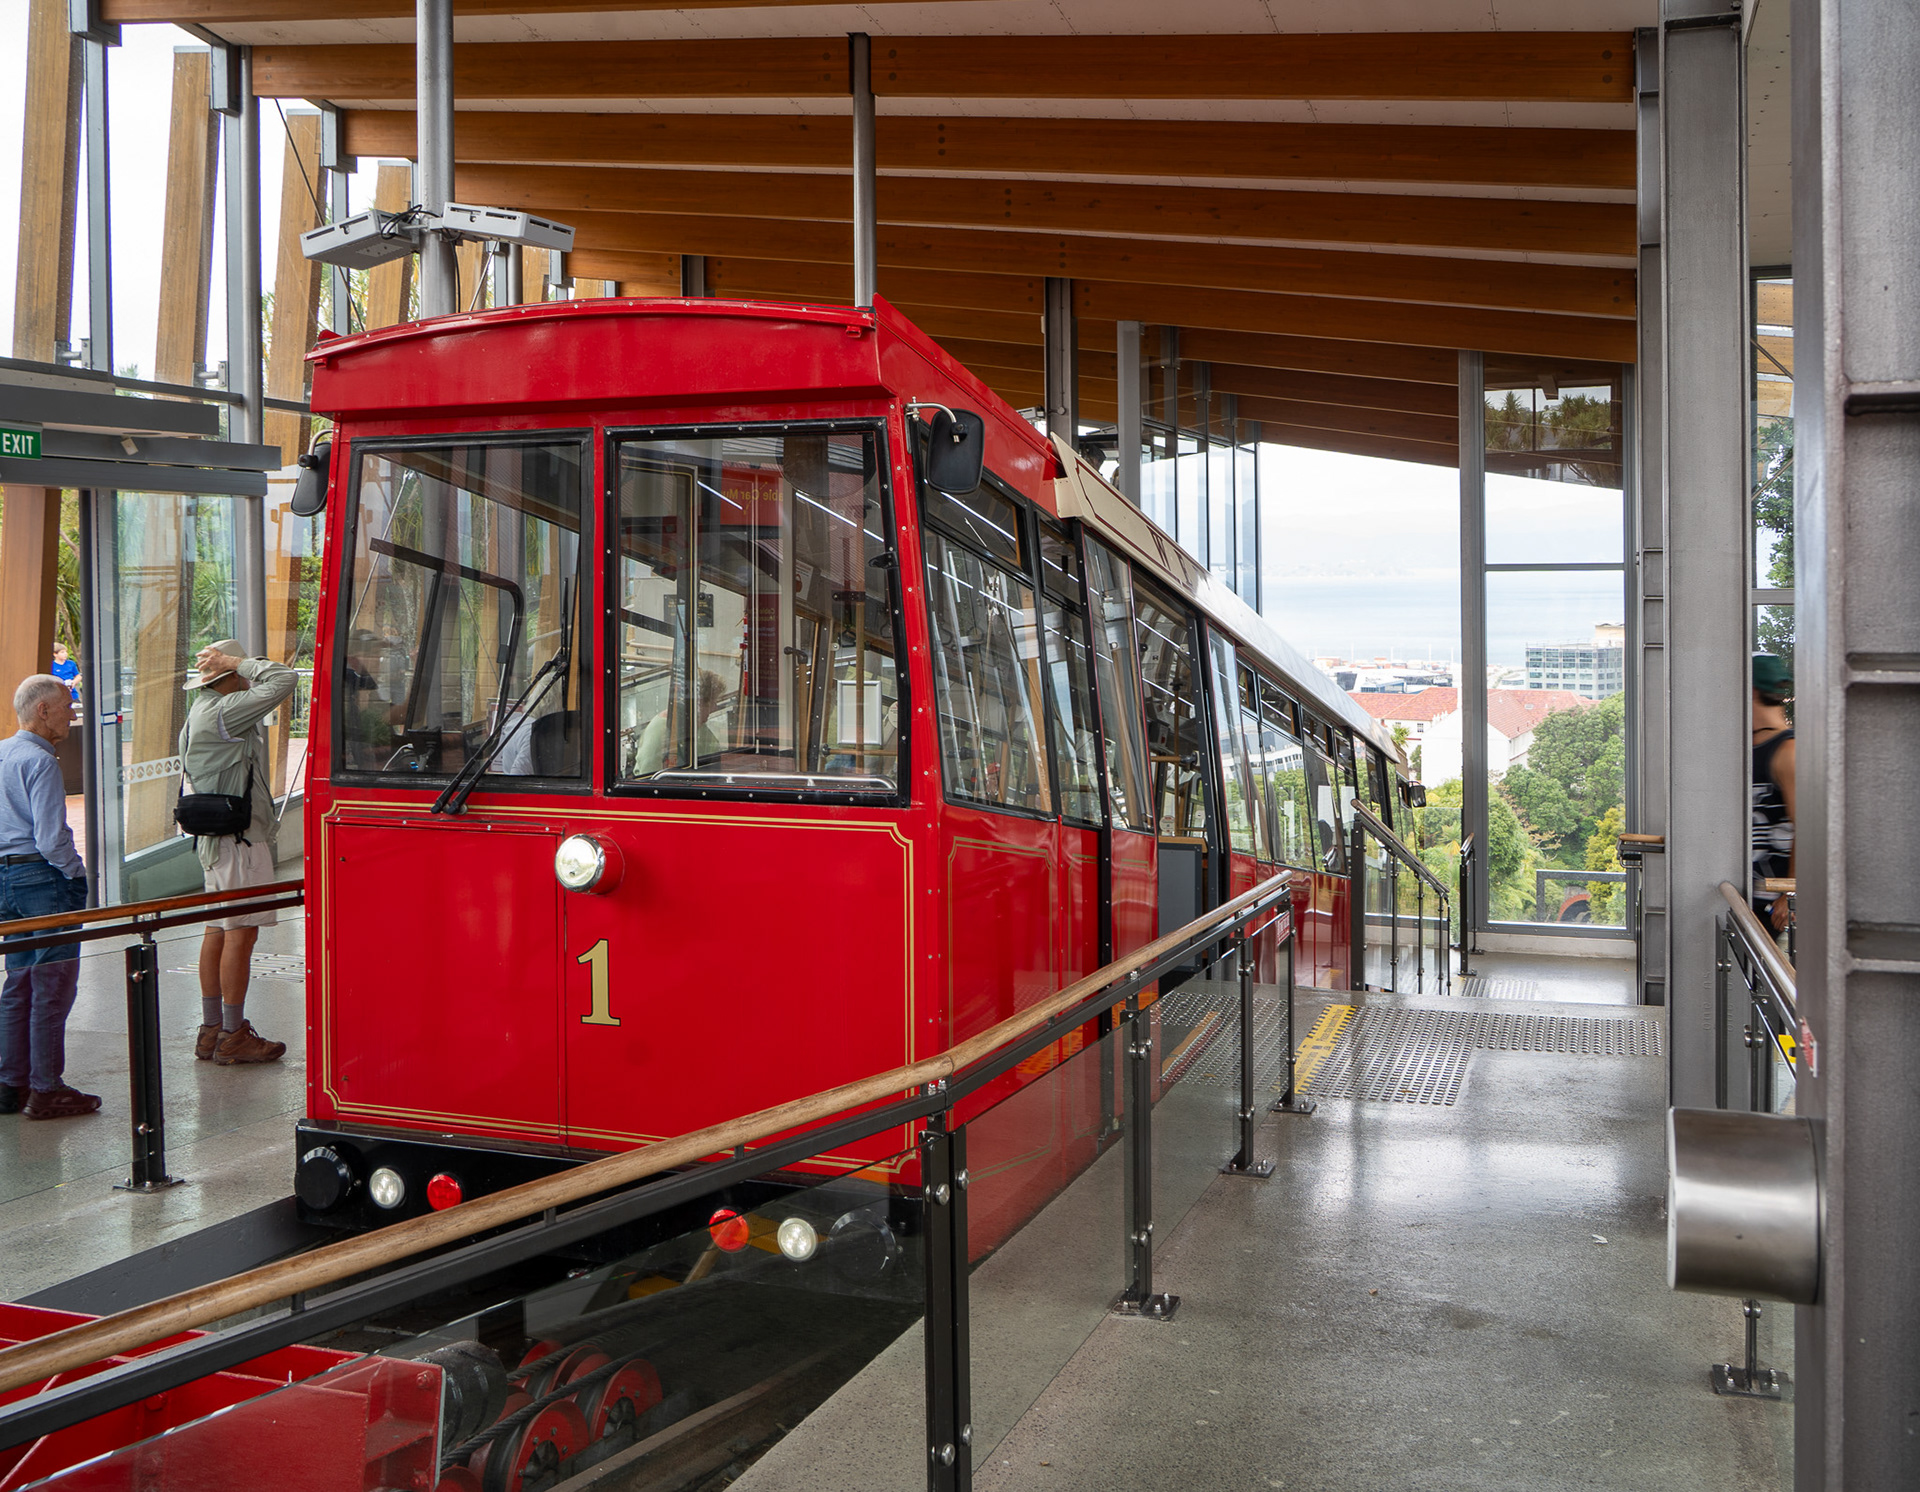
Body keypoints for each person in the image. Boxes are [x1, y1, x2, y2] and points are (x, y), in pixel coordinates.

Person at [180, 641, 297, 1064]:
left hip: (215, 842)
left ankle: (212, 1030)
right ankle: (233, 1035)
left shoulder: (199, 711)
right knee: (241, 932)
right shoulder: (225, 711)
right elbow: (284, 678)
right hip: (239, 842)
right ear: (230, 675)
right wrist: (234, 661)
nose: (248, 678)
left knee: (217, 928)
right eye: (241, 672)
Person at [0, 675, 99, 1119]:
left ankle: (10, 1084)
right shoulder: (40, 762)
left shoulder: (3, 753)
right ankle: (46, 1088)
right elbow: (50, 839)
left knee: (18, 981)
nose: (72, 715)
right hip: (42, 879)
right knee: (52, 984)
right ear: (43, 710)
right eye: (67, 706)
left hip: (5, 880)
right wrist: (76, 873)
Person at [1751, 653, 1797, 935]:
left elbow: (1810, 830)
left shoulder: (1788, 751)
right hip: (1749, 899)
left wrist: (1791, 895)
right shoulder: (1750, 745)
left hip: (1776, 910)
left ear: (1752, 691)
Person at [625, 669, 728, 778]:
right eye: (713, 702)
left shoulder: (695, 725)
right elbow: (649, 777)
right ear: (699, 702)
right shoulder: (661, 730)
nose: (715, 708)